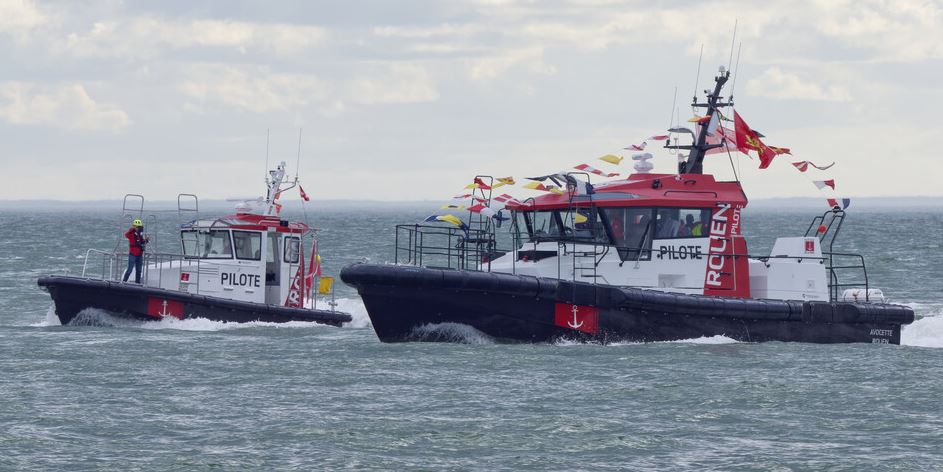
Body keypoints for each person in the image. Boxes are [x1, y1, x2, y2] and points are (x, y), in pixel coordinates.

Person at [123, 219, 149, 283]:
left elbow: (141, 242)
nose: (138, 228)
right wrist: (131, 230)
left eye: (139, 227)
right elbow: (126, 235)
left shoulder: (139, 234)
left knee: (139, 270)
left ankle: (137, 283)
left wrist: (146, 240)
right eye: (137, 227)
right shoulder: (131, 234)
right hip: (132, 254)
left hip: (139, 255)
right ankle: (124, 282)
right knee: (129, 270)